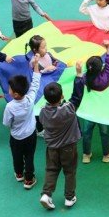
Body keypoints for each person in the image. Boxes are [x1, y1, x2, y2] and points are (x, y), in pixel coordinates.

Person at [39, 77, 81, 210]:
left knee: (51, 170)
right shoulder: (68, 110)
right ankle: (69, 197)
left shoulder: (42, 112)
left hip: (52, 148)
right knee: (69, 171)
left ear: (46, 98)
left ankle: (46, 194)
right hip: (68, 147)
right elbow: (77, 96)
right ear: (62, 95)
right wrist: (79, 77)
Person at [3, 54, 41, 189]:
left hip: (16, 137)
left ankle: (19, 174)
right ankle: (29, 180)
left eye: (10, 89)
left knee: (17, 156)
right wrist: (36, 64)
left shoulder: (10, 107)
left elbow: (7, 123)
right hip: (30, 135)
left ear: (15, 94)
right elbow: (36, 83)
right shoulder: (30, 99)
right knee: (29, 156)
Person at [74, 40, 109, 164]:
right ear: (100, 68)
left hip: (89, 111)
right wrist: (108, 48)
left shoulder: (85, 78)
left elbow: (78, 83)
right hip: (102, 111)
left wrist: (78, 72)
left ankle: (86, 155)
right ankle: (106, 154)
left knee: (86, 133)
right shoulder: (105, 77)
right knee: (104, 133)